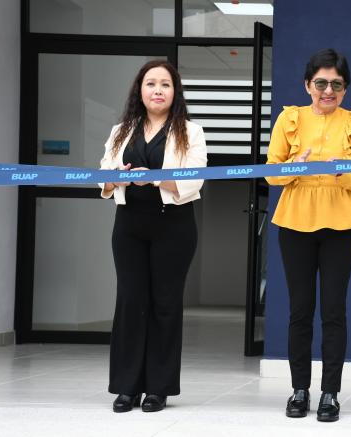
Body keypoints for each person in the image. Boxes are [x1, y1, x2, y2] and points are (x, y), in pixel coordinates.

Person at [265, 48, 351, 422]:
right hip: (295, 221)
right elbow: (271, 174)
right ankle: (299, 390)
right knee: (299, 310)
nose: (329, 90)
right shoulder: (289, 119)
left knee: (333, 311)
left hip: (341, 223)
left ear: (345, 88)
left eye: (336, 85)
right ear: (308, 85)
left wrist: (342, 170)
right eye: (321, 83)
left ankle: (330, 393)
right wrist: (295, 165)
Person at [99, 59, 207, 413]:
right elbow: (102, 177)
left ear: (175, 92)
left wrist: (156, 177)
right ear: (140, 90)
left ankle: (158, 389)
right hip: (129, 224)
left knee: (165, 304)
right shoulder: (121, 130)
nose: (157, 90)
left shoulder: (190, 131)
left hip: (173, 225)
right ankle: (126, 387)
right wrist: (119, 177)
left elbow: (195, 180)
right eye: (150, 84)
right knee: (131, 302)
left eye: (165, 84)